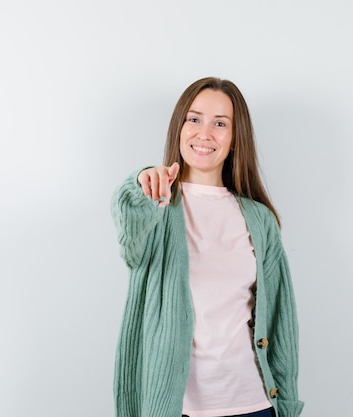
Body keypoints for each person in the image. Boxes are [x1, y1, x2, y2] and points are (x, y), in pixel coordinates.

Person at [110, 77, 304, 417]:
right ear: (180, 127)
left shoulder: (259, 220)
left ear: (234, 139)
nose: (204, 133)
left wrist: (286, 404)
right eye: (194, 119)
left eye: (220, 124)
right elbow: (130, 238)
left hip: (254, 405)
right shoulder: (155, 204)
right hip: (174, 408)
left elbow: (280, 322)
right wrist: (142, 182)